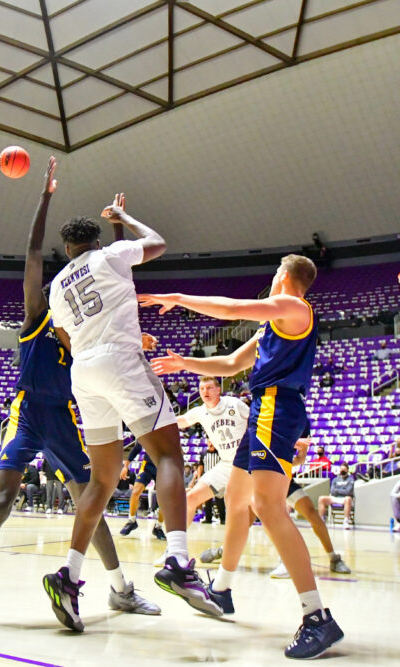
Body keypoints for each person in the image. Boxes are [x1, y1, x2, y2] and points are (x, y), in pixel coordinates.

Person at [0, 159, 158, 630]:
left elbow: (111, 292)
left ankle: (121, 589)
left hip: (65, 414)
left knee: (91, 502)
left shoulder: (81, 323)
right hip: (28, 414)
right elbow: (33, 254)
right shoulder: (38, 312)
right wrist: (44, 199)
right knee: (1, 503)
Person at [143, 253, 344, 659]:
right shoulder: (274, 324)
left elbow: (233, 309)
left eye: (274, 273)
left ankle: (317, 616)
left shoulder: (293, 306)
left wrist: (178, 297)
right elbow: (233, 363)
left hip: (276, 410)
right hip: (261, 411)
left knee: (270, 508)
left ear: (285, 277)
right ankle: (221, 591)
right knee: (237, 502)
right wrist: (186, 363)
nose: (271, 278)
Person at [42, 188, 214, 633]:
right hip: (120, 363)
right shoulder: (112, 256)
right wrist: (124, 215)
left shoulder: (58, 284)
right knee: (168, 457)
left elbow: (64, 336)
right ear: (97, 241)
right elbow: (157, 242)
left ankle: (69, 576)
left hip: (85, 372)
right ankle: (177, 559)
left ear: (66, 249)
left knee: (101, 478)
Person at [172, 376, 249, 541]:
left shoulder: (235, 404)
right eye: (201, 389)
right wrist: (154, 421)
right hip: (227, 464)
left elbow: (258, 422)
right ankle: (175, 549)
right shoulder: (200, 411)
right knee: (191, 498)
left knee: (262, 508)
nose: (205, 392)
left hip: (249, 464)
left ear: (218, 389)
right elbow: (180, 421)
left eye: (209, 387)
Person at [263, 440, 352, 578]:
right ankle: (223, 552)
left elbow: (300, 460)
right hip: (261, 479)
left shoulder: (301, 424)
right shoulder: (262, 422)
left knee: (311, 513)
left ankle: (334, 558)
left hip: (284, 479)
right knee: (252, 519)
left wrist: (288, 459)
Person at [118, 443, 166, 542]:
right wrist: (125, 466)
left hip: (163, 468)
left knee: (164, 500)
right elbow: (136, 449)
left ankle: (158, 527)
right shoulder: (146, 431)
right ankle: (132, 521)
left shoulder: (168, 431)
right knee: (135, 492)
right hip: (147, 467)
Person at [318, 463, 355, 529]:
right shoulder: (335, 479)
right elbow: (332, 491)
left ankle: (346, 521)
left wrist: (337, 490)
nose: (342, 470)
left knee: (348, 498)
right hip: (335, 498)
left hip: (345, 499)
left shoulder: (350, 480)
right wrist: (341, 490)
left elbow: (348, 492)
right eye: (341, 469)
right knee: (321, 498)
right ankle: (321, 520)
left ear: (347, 470)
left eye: (344, 469)